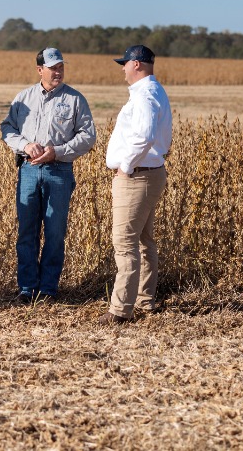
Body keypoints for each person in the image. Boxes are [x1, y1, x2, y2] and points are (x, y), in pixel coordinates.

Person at [0, 47, 96, 303]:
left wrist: (58, 151)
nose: (58, 71)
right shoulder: (24, 98)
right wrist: (25, 145)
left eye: (61, 66)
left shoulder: (75, 99)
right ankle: (27, 288)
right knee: (27, 232)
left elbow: (88, 136)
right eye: (53, 67)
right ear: (39, 70)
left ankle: (48, 290)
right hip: (29, 170)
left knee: (55, 232)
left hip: (59, 171)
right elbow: (7, 128)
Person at [99, 45, 173, 325]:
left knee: (124, 242)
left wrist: (125, 167)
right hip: (149, 172)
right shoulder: (155, 91)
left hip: (137, 176)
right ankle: (144, 299)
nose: (122, 68)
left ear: (137, 64)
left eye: (125, 63)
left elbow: (144, 135)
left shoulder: (144, 95)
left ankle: (120, 310)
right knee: (143, 241)